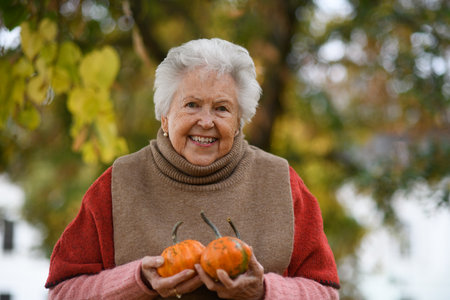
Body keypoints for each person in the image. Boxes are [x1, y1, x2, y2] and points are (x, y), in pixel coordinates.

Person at [45, 38, 340, 299]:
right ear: (164, 116)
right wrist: (136, 282)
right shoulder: (118, 184)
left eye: (222, 108)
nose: (206, 121)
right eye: (192, 105)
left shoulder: (282, 184)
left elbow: (325, 293)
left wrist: (264, 292)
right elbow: (61, 292)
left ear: (239, 122)